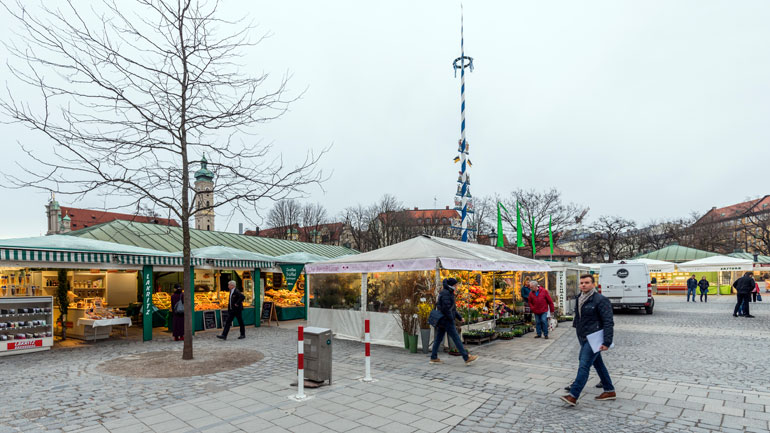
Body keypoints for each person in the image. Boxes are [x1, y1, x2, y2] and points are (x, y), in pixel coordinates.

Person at [560, 274, 615, 406]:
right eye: (582, 283)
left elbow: (608, 322)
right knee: (597, 364)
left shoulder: (600, 300)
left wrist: (607, 341)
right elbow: (579, 317)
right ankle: (609, 390)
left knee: (584, 364)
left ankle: (573, 395)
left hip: (594, 337)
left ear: (593, 284)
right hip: (583, 336)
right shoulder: (580, 297)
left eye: (587, 282)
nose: (583, 285)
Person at [430, 278, 479, 366]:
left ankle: (433, 357)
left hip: (443, 319)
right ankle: (466, 357)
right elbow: (446, 309)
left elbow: (452, 308)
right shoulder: (446, 293)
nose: (457, 287)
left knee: (438, 339)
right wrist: (451, 318)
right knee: (456, 338)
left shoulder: (448, 292)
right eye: (456, 285)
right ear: (452, 285)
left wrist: (459, 317)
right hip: (446, 320)